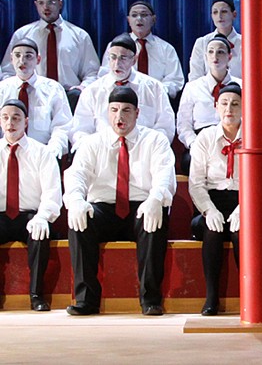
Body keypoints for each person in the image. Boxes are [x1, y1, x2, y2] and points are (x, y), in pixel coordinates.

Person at [63, 86, 176, 316]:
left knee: (155, 217)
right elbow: (77, 174)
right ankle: (86, 300)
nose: (119, 117)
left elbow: (164, 175)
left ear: (137, 112)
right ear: (107, 112)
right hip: (103, 208)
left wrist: (155, 199)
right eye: (114, 110)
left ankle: (150, 300)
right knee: (80, 220)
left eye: (126, 110)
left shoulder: (155, 140)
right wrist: (75, 200)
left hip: (140, 205)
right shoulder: (93, 142)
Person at [0, 99, 62, 311]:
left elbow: (52, 191)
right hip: (1, 216)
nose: (10, 123)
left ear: (26, 122)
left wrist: (42, 216)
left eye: (16, 118)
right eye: (5, 118)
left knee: (40, 233)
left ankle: (37, 295)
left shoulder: (42, 152)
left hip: (31, 215)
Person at [188, 82, 243, 316]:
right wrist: (208, 210)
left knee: (243, 233)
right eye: (224, 103)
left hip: (243, 202)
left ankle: (249, 296)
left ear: (244, 108)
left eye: (235, 104)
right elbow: (196, 183)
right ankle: (212, 297)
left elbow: (260, 180)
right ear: (216, 106)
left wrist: (244, 209)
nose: (229, 109)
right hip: (211, 202)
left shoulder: (254, 136)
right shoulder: (205, 137)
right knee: (212, 231)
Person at [1, 0, 99, 108]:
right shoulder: (22, 35)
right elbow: (7, 71)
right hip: (33, 96)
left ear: (60, 4)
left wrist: (81, 89)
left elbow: (92, 72)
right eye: (41, 3)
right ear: (36, 5)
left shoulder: (79, 36)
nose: (46, 7)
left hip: (69, 97)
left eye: (51, 2)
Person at [71, 34, 175, 148]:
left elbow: (165, 126)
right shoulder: (92, 91)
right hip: (102, 151)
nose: (117, 64)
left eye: (123, 58)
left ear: (134, 60)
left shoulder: (154, 88)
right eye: (113, 57)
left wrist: (149, 147)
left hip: (143, 150)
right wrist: (94, 149)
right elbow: (80, 130)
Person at [0, 38, 72, 158]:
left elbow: (62, 125)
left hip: (43, 153)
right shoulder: (2, 89)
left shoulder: (53, 88)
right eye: (17, 56)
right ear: (11, 59)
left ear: (38, 59)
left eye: (28, 56)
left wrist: (51, 152)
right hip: (6, 154)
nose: (22, 61)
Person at [98, 1, 184, 101]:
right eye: (134, 15)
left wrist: (157, 91)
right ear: (128, 20)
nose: (139, 19)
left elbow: (175, 80)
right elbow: (105, 74)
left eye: (144, 15)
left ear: (153, 19)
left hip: (155, 99)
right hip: (121, 100)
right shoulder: (115, 46)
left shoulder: (166, 49)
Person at [177, 35, 241, 163]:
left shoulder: (242, 85)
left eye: (220, 52)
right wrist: (195, 144)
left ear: (229, 57)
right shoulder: (193, 87)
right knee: (190, 161)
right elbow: (184, 125)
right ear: (205, 57)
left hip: (234, 138)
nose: (215, 56)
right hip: (201, 139)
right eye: (211, 52)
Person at [188, 0, 242, 81]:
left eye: (224, 11)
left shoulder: (245, 43)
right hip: (207, 89)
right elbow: (195, 77)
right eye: (215, 12)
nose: (219, 16)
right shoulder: (202, 43)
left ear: (234, 14)